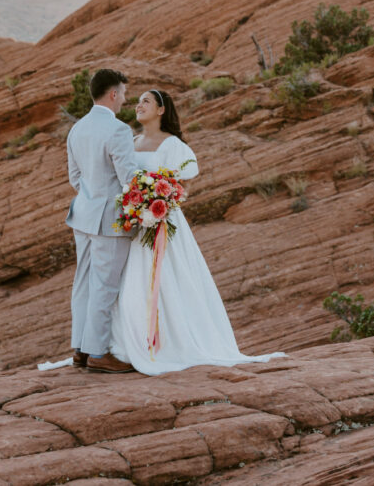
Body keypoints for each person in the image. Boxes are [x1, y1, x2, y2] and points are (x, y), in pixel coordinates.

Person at [108, 89, 285, 374]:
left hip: (162, 222)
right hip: (135, 225)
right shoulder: (132, 142)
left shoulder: (174, 145)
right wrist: (134, 205)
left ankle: (168, 344)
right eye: (138, 101)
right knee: (131, 286)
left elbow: (185, 183)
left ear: (161, 110)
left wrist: (162, 203)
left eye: (146, 102)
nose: (138, 106)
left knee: (167, 281)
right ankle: (130, 345)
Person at [62, 68, 140, 373]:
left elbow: (74, 177)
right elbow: (129, 179)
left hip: (82, 216)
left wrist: (93, 199)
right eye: (123, 93)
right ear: (113, 94)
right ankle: (98, 353)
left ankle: (80, 349)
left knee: (83, 283)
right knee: (105, 286)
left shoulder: (76, 129)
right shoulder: (118, 130)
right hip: (109, 220)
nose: (125, 99)